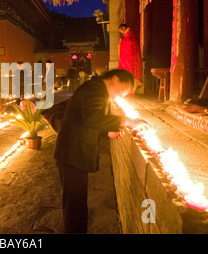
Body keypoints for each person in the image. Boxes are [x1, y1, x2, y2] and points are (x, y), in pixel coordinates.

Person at [54, 69, 150, 233]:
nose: (119, 95)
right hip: (73, 152)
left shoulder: (97, 88)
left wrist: (108, 130)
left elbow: (88, 118)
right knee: (75, 204)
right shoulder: (95, 89)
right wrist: (126, 120)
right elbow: (91, 117)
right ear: (114, 79)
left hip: (74, 151)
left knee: (76, 202)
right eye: (121, 90)